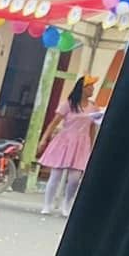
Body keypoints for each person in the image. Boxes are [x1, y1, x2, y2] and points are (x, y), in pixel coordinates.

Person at [39, 75, 98, 217]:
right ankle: (47, 204)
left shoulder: (93, 107)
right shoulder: (68, 104)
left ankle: (67, 203)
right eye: (90, 86)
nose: (92, 89)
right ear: (82, 88)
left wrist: (92, 146)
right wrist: (44, 139)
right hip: (64, 141)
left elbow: (92, 128)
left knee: (74, 179)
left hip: (82, 144)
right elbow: (54, 123)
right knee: (55, 175)